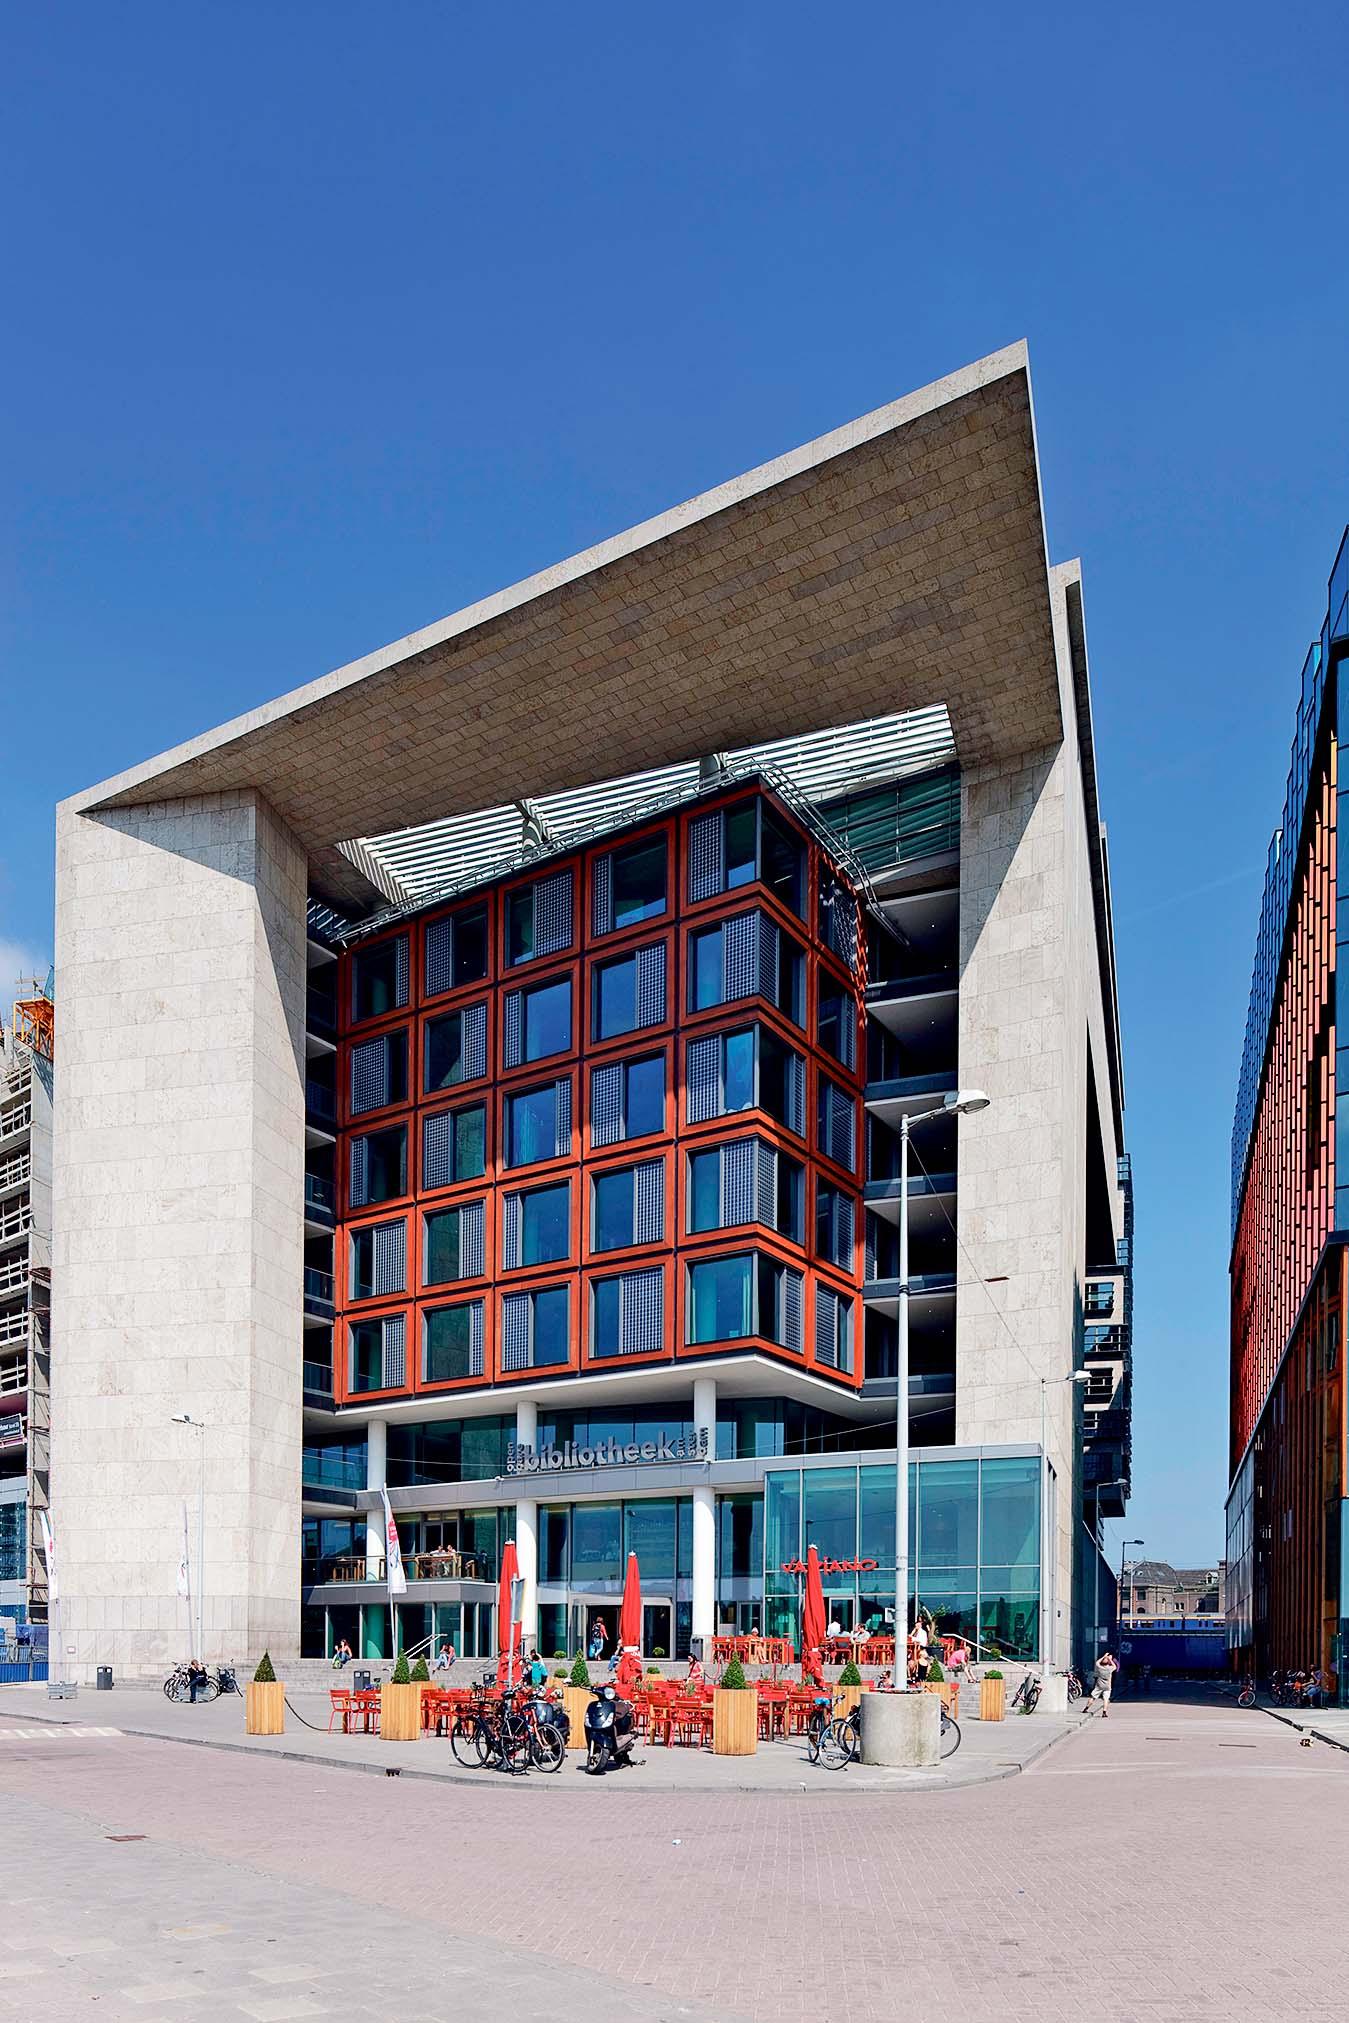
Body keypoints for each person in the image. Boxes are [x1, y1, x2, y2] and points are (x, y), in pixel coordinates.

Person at [1091, 1648, 1119, 1718]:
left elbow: (1097, 1662)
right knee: (1106, 1699)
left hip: (1099, 1685)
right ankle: (1104, 1712)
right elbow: (1115, 1666)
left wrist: (1104, 1656)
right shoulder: (1110, 1669)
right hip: (1107, 1686)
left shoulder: (1100, 1667)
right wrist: (1110, 1659)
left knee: (1093, 1697)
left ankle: (1086, 1708)